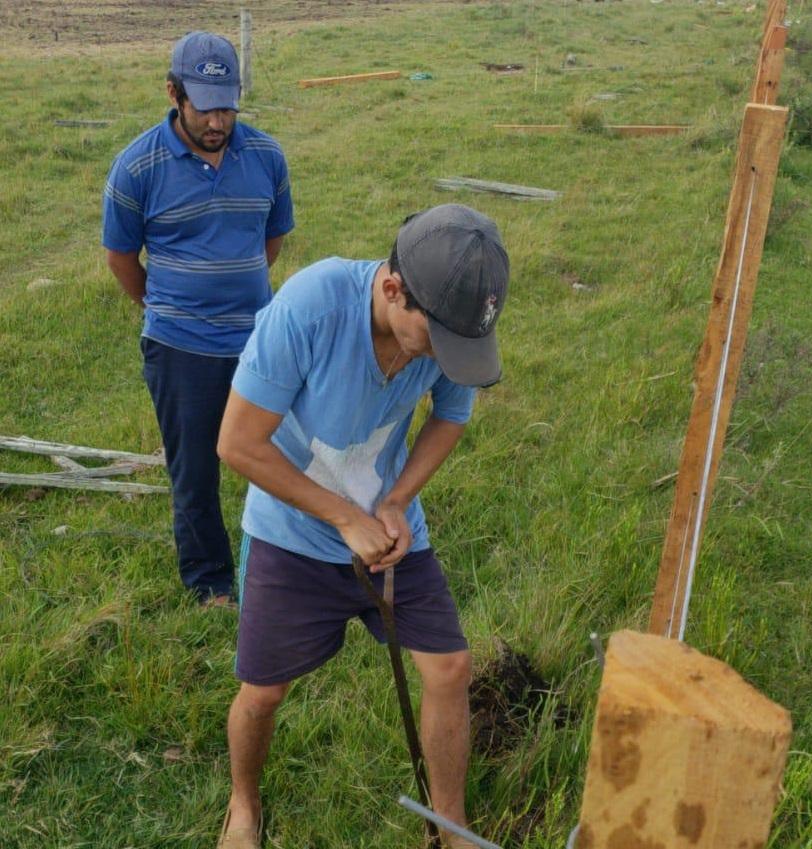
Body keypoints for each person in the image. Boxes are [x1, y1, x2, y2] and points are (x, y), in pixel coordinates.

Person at [215, 204, 509, 849]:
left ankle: (452, 825)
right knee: (262, 693)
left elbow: (451, 416)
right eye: (437, 341)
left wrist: (398, 501)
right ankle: (243, 804)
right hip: (289, 533)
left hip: (390, 529)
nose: (444, 357)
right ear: (393, 290)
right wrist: (344, 516)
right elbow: (237, 443)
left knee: (451, 668)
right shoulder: (311, 307)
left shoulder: (449, 326)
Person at [102, 31, 294, 605]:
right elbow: (120, 258)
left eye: (228, 104)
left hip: (260, 340)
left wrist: (238, 292)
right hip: (179, 346)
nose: (218, 119)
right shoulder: (137, 167)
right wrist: (168, 307)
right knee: (194, 472)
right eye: (205, 104)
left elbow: (272, 238)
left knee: (287, 455)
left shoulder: (266, 156)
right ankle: (211, 582)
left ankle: (296, 563)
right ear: (173, 92)